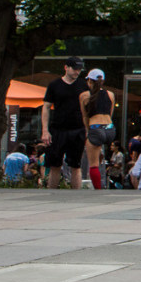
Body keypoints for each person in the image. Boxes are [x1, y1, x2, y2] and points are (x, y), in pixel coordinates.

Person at [40, 56, 88, 189]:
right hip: (58, 129)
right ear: (66, 68)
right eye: (74, 69)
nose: (77, 72)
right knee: (55, 164)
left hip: (77, 128)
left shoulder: (83, 85)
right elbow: (46, 107)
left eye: (79, 69)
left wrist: (88, 129)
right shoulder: (54, 85)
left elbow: (88, 108)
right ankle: (52, 193)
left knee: (76, 165)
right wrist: (45, 130)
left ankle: (76, 194)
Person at [80, 68, 115, 191]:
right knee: (99, 152)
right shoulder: (110, 94)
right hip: (109, 129)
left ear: (89, 81)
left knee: (93, 164)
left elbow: (85, 117)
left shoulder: (84, 96)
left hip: (95, 128)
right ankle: (100, 152)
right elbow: (110, 113)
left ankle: (98, 189)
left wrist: (88, 131)